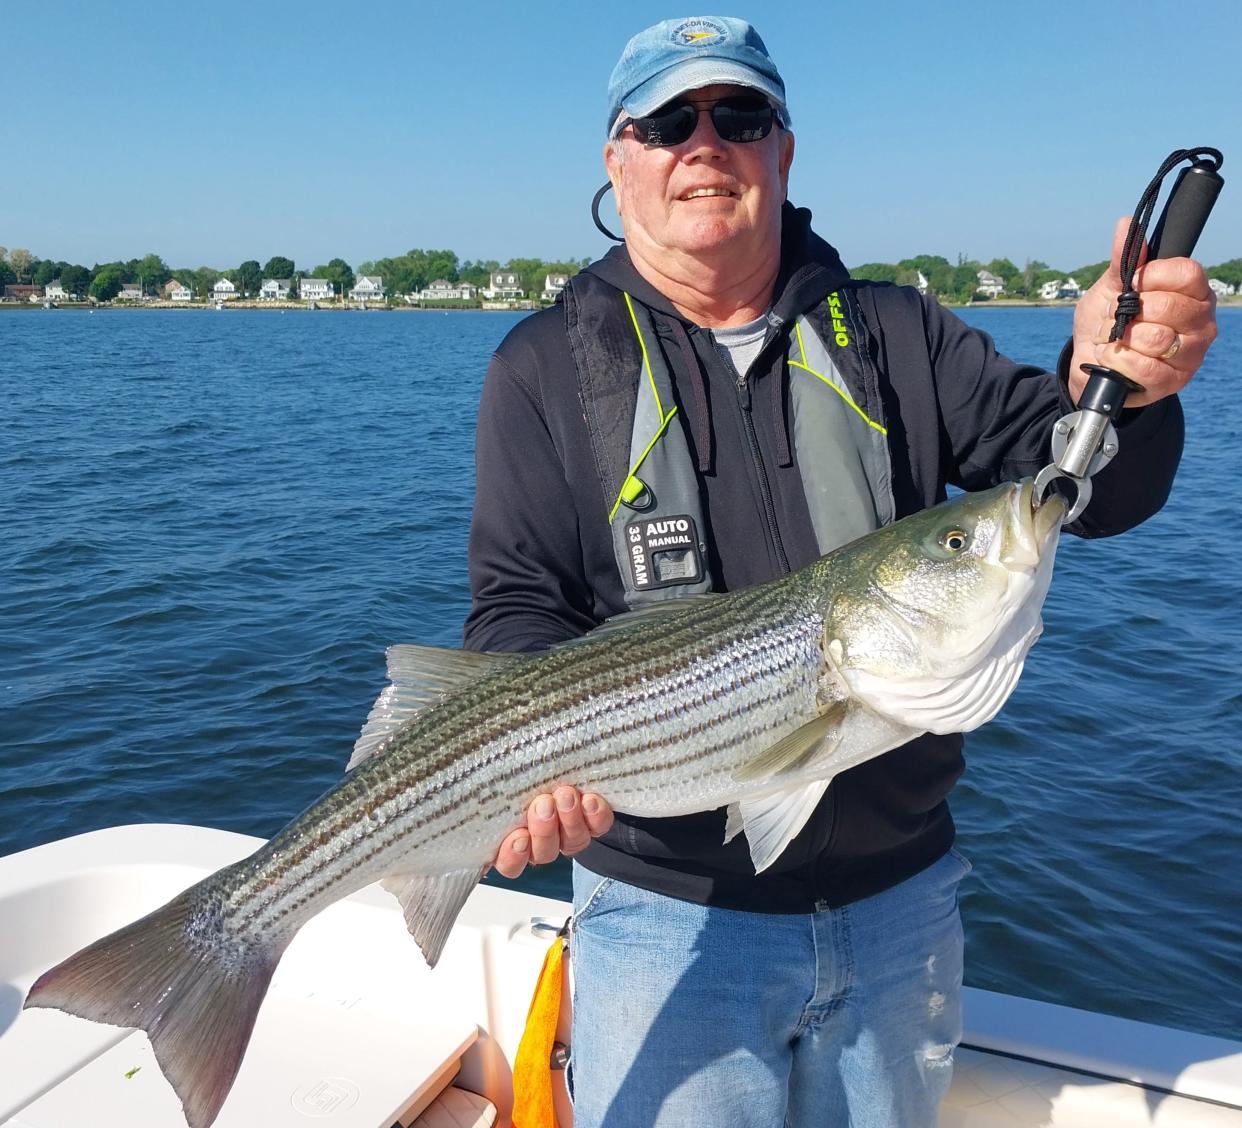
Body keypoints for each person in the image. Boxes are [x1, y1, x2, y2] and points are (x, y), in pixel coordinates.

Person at [463, 16, 1216, 1127]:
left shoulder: (896, 334)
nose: (704, 143)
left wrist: (1129, 389)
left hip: (900, 906)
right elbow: (518, 605)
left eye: (741, 115)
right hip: (666, 917)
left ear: (785, 148)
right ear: (618, 160)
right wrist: (525, 763)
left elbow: (1078, 489)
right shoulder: (542, 366)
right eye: (668, 121)